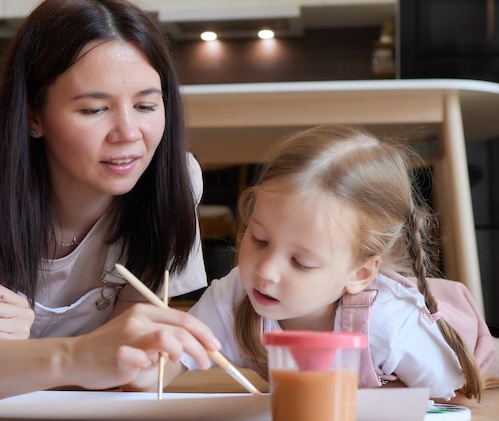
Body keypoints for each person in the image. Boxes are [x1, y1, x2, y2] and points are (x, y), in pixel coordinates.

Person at [0, 0, 222, 400]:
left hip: (34, 376)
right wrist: (76, 357)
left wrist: (84, 360)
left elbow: (126, 368)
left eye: (145, 105)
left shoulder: (173, 180)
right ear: (32, 116)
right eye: (94, 109)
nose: (128, 133)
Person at [131, 124, 496, 401]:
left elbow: (455, 396)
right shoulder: (235, 296)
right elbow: (158, 374)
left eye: (301, 262)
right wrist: (139, 361)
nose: (265, 270)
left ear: (360, 273)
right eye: (259, 239)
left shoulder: (390, 324)